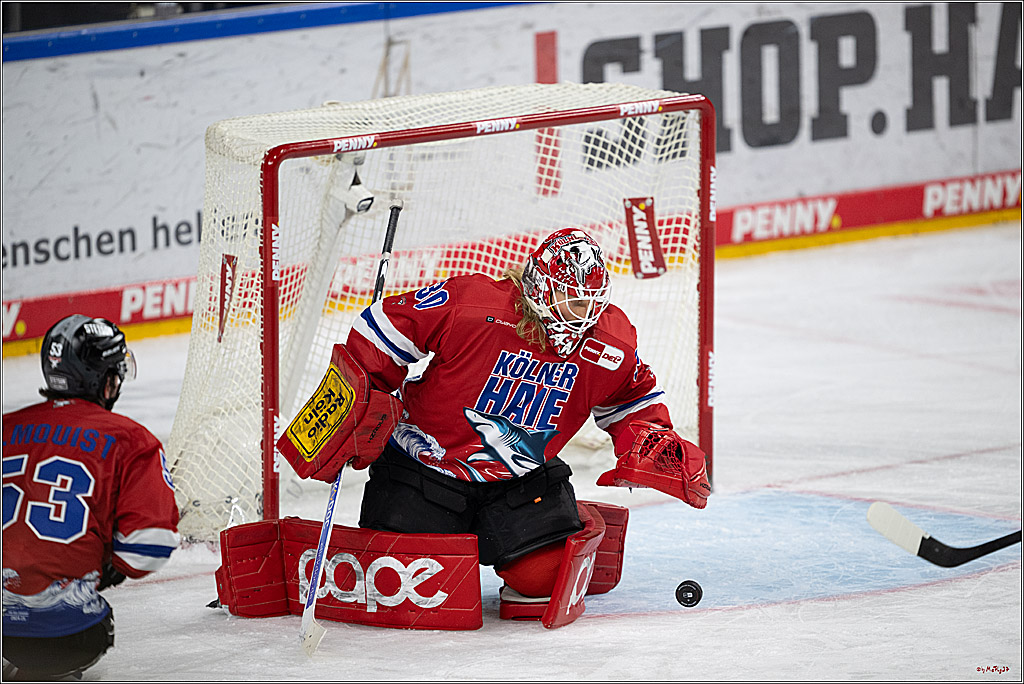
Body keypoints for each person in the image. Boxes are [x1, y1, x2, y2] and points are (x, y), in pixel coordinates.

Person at [339, 227, 710, 603]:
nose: (584, 314)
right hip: (423, 467)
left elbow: (632, 398)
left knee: (546, 578)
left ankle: (555, 523)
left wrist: (653, 443)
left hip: (520, 479)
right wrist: (360, 400)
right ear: (541, 288)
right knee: (405, 584)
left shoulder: (610, 343)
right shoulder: (474, 305)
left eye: (592, 302)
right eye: (572, 300)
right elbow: (380, 328)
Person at [2, 315, 180, 681]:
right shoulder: (131, 439)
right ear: (105, 380)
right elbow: (150, 545)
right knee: (78, 629)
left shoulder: (5, 427)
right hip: (67, 636)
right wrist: (108, 567)